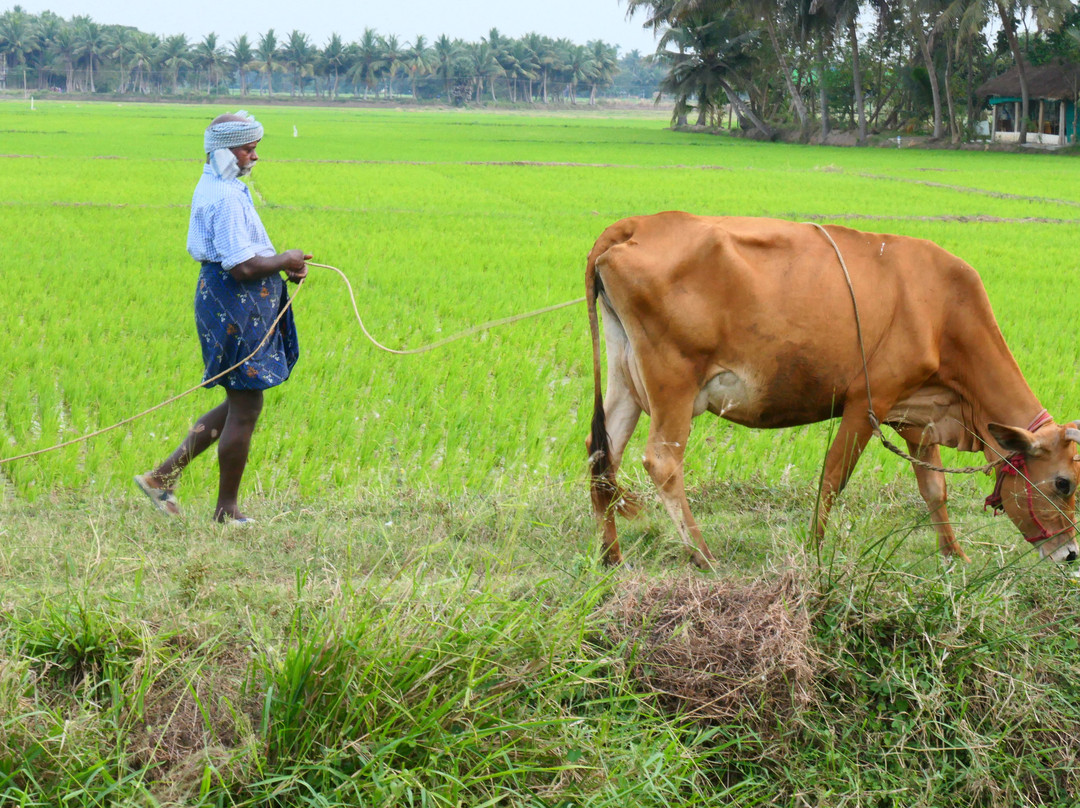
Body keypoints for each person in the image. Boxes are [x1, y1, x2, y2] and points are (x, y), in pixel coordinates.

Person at [135, 111, 311, 524]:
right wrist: (284, 258)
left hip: (231, 301)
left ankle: (162, 477)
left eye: (255, 148)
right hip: (234, 303)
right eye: (248, 148)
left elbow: (246, 259)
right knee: (246, 406)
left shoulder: (220, 183)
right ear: (224, 150)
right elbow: (242, 268)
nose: (254, 156)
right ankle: (226, 511)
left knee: (239, 400)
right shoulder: (226, 196)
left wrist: (279, 262)